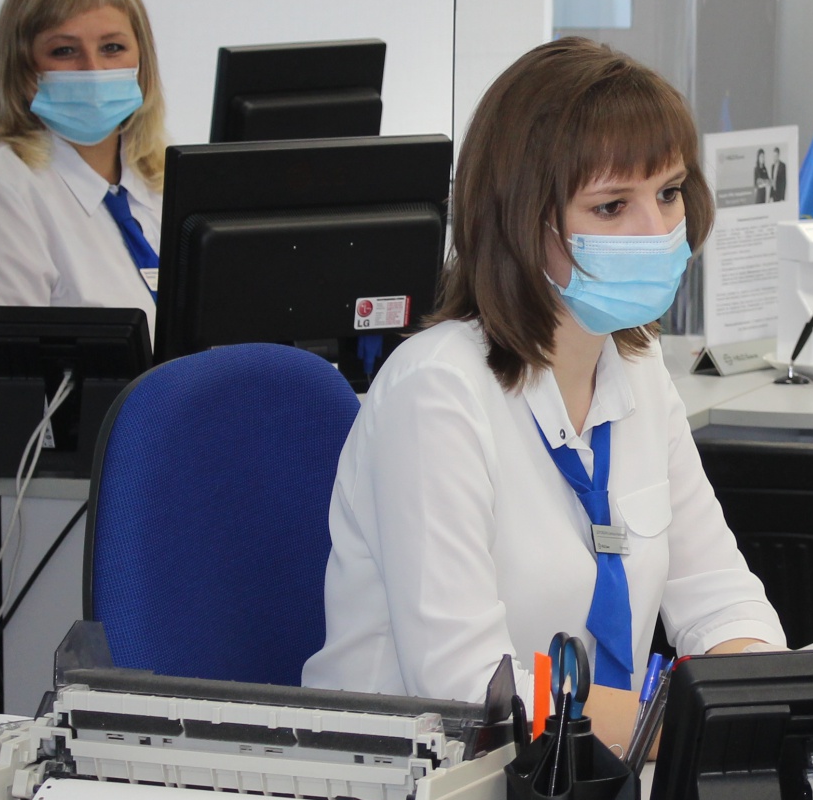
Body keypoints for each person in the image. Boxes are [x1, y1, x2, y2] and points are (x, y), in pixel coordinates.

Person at [304, 38, 785, 753]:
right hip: (425, 795)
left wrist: (767, 704)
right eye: (612, 206)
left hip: (589, 784)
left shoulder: (637, 366)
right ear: (524, 222)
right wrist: (688, 725)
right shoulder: (435, 391)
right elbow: (475, 693)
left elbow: (721, 596)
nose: (658, 231)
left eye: (669, 192)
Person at [0, 0, 169, 328]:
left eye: (112, 47)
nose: (93, 70)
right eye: (64, 51)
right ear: (23, 69)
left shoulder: (161, 181)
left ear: (142, 61)